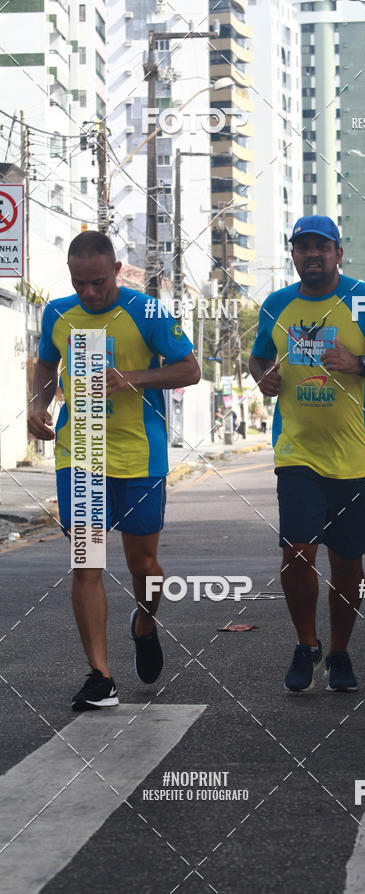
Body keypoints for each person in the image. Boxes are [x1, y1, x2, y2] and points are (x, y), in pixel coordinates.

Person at [27, 231, 200, 711]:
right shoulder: (57, 312)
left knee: (143, 565)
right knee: (87, 560)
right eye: (78, 282)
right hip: (80, 451)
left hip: (140, 456)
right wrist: (37, 404)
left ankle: (145, 622)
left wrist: (134, 379)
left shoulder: (147, 312)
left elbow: (190, 369)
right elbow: (44, 363)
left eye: (97, 282)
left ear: (117, 269)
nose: (88, 293)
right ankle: (101, 677)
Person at [249, 214, 365, 692]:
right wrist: (263, 375)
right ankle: (306, 644)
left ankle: (339, 651)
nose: (313, 255)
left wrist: (359, 363)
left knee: (347, 562)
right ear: (294, 254)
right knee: (297, 553)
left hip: (354, 458)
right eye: (304, 247)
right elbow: (259, 354)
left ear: (338, 253)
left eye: (323, 247)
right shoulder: (278, 305)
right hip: (296, 452)